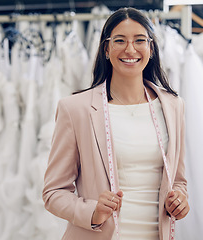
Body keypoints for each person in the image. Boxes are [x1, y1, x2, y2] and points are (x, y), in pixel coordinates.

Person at [42, 7, 189, 240]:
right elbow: (53, 192)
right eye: (119, 40)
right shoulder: (76, 109)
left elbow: (178, 180)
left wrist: (180, 200)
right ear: (106, 49)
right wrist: (93, 212)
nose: (130, 49)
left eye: (139, 40)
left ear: (151, 49)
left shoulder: (173, 106)